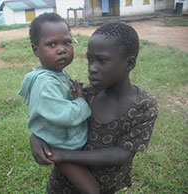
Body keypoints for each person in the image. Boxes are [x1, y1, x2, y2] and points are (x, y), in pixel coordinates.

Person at [30, 22, 159, 194]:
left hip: (107, 186)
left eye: (101, 61)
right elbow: (52, 117)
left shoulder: (144, 106)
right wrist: (35, 137)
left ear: (129, 64)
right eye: (90, 60)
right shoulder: (84, 96)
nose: (91, 69)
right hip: (63, 186)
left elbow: (122, 153)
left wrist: (62, 155)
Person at [19, 13, 100, 194]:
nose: (62, 49)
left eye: (67, 42)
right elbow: (65, 115)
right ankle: (63, 162)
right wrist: (80, 100)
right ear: (36, 50)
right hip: (60, 145)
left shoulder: (57, 73)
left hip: (62, 139)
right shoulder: (45, 83)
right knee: (91, 189)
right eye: (52, 44)